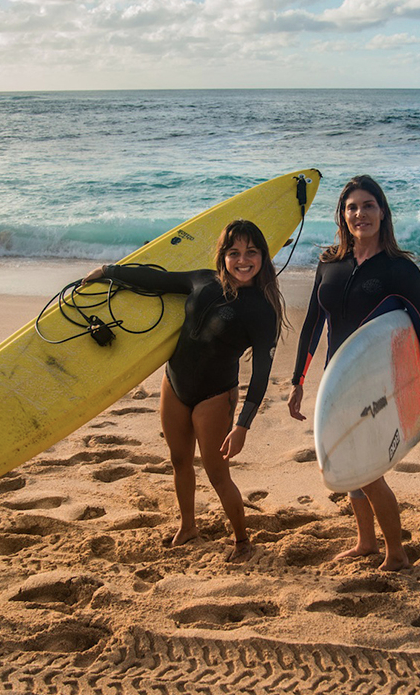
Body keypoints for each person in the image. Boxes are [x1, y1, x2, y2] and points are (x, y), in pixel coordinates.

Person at [81, 219, 284, 562]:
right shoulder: (203, 280)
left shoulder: (261, 310)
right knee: (179, 461)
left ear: (263, 256)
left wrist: (242, 425)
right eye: (234, 252)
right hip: (174, 383)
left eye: (251, 252)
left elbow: (261, 373)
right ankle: (188, 526)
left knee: (217, 474)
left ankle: (242, 541)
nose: (242, 260)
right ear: (223, 255)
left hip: (215, 396)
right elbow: (157, 280)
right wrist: (108, 271)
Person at [287, 175, 420, 572]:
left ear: (383, 212)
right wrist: (298, 382)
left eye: (369, 205)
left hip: (376, 383)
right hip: (336, 381)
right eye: (352, 207)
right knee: (347, 459)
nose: (361, 214)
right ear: (342, 215)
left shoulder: (399, 270)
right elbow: (313, 324)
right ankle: (366, 542)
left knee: (368, 468)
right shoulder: (330, 263)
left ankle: (397, 553)